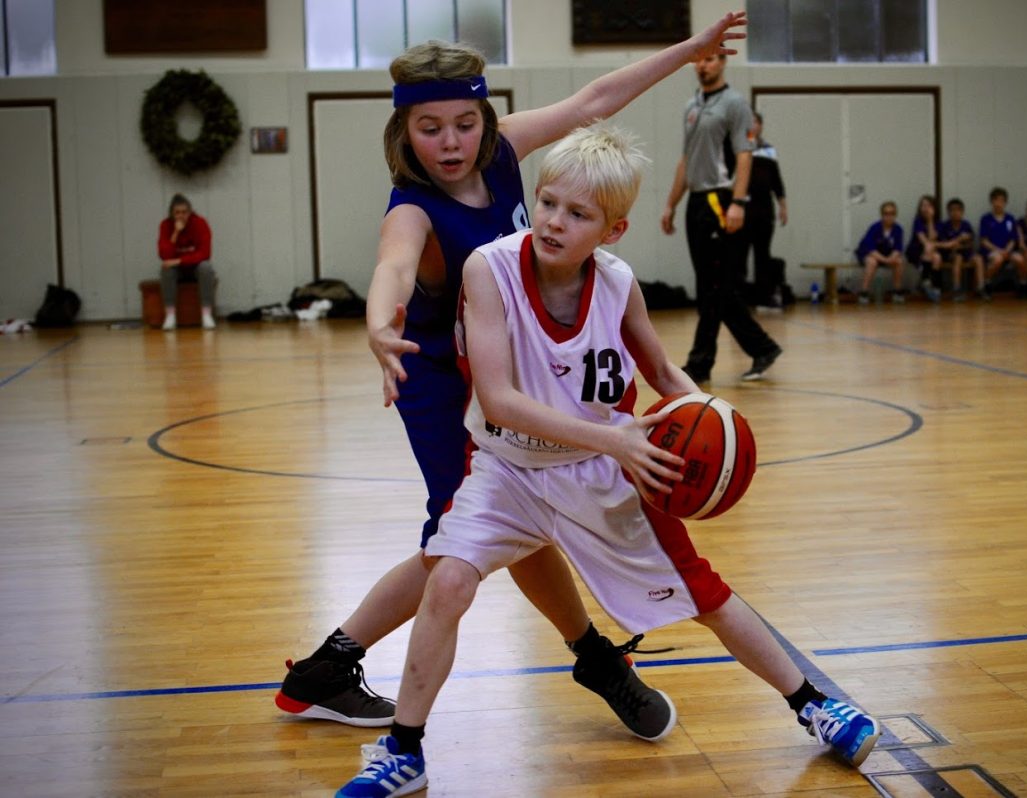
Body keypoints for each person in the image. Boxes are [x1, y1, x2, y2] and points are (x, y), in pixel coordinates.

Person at [334, 127, 880, 798]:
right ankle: (405, 751)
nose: (557, 222)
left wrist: (717, 419)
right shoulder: (490, 268)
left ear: (613, 230)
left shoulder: (618, 285)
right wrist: (616, 439)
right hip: (506, 468)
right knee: (448, 583)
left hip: (600, 475)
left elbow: (659, 368)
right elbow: (499, 400)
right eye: (550, 204)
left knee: (703, 593)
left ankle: (817, 705)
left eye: (580, 214)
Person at [275, 14, 752, 740]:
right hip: (443, 383)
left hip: (512, 367)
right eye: (430, 128)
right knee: (469, 537)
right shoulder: (414, 207)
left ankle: (327, 669)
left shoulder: (501, 158)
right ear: (404, 133)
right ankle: (591, 658)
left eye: (465, 123)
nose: (451, 143)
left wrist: (690, 50)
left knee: (500, 532)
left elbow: (594, 102)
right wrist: (379, 322)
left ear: (484, 120)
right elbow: (393, 266)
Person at [661, 53, 783, 383]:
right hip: (697, 202)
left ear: (722, 63)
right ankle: (762, 347)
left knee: (714, 286)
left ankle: (700, 364)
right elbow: (686, 160)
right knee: (712, 287)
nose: (703, 65)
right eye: (699, 60)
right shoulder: (692, 106)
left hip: (721, 198)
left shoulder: (735, 104)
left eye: (711, 59)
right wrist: (672, 204)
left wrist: (739, 202)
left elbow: (744, 155)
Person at [746, 110, 788, 309]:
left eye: (756, 122)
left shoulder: (769, 150)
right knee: (739, 255)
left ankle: (764, 296)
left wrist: (783, 205)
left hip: (764, 210)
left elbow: (777, 181)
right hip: (743, 209)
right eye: (749, 122)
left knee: (763, 255)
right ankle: (741, 297)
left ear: (761, 126)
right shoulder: (738, 147)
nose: (753, 125)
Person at [156, 194, 216, 330]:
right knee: (166, 269)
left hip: (195, 267)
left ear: (190, 212)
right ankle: (170, 315)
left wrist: (179, 260)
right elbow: (164, 255)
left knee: (206, 268)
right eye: (177, 213)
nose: (181, 216)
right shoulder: (165, 225)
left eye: (184, 212)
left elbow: (205, 254)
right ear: (172, 214)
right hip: (177, 270)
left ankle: (206, 313)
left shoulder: (200, 223)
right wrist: (175, 233)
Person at [978, 187, 1027, 298]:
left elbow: (1013, 239)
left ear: (1005, 202)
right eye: (996, 200)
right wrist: (998, 250)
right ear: (991, 201)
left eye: (1001, 200)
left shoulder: (1010, 219)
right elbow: (984, 241)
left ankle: (1023, 285)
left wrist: (1007, 250)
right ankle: (987, 283)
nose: (998, 203)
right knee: (998, 259)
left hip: (1007, 251)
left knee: (1020, 259)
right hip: (991, 251)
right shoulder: (986, 219)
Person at [935, 198, 987, 302]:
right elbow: (944, 244)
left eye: (958, 210)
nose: (955, 213)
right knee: (958, 258)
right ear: (948, 212)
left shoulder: (966, 225)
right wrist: (958, 241)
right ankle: (957, 289)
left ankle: (980, 288)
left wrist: (960, 245)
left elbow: (970, 243)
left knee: (978, 258)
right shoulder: (944, 226)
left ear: (962, 212)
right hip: (950, 254)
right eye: (952, 210)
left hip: (966, 252)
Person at [854, 201, 906, 304]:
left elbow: (898, 249)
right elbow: (871, 249)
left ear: (895, 215)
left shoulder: (898, 229)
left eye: (892, 213)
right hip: (869, 254)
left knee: (899, 261)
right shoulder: (874, 228)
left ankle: (897, 292)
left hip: (887, 255)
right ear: (882, 215)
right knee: (872, 262)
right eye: (886, 214)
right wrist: (885, 260)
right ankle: (864, 292)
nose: (889, 216)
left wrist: (891, 258)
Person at [905, 194, 943, 302]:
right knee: (929, 250)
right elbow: (924, 241)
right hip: (915, 250)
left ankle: (930, 284)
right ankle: (925, 282)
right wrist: (930, 246)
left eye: (928, 205)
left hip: (929, 251)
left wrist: (930, 221)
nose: (926, 208)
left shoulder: (938, 223)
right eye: (923, 205)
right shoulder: (918, 221)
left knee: (937, 257)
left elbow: (932, 238)